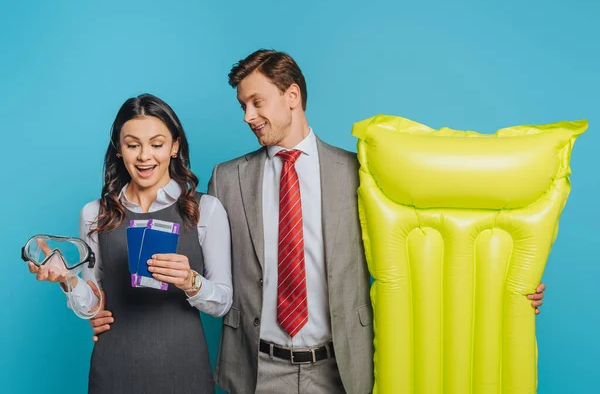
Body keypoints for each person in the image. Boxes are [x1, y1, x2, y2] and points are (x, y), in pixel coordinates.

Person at [91, 51, 546, 393]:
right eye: (242, 106)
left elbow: (418, 250)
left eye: (256, 102)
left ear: (292, 96)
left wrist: (501, 287)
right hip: (257, 368)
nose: (248, 117)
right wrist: (99, 304)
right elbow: (212, 275)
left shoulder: (360, 172)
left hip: (340, 369)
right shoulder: (226, 178)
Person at [28, 93, 232, 394]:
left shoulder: (206, 209)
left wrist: (191, 281)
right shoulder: (94, 213)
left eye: (157, 144)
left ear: (175, 146)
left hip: (184, 369)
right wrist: (68, 279)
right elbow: (95, 305)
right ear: (119, 150)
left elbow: (224, 302)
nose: (144, 156)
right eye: (132, 145)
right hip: (113, 369)